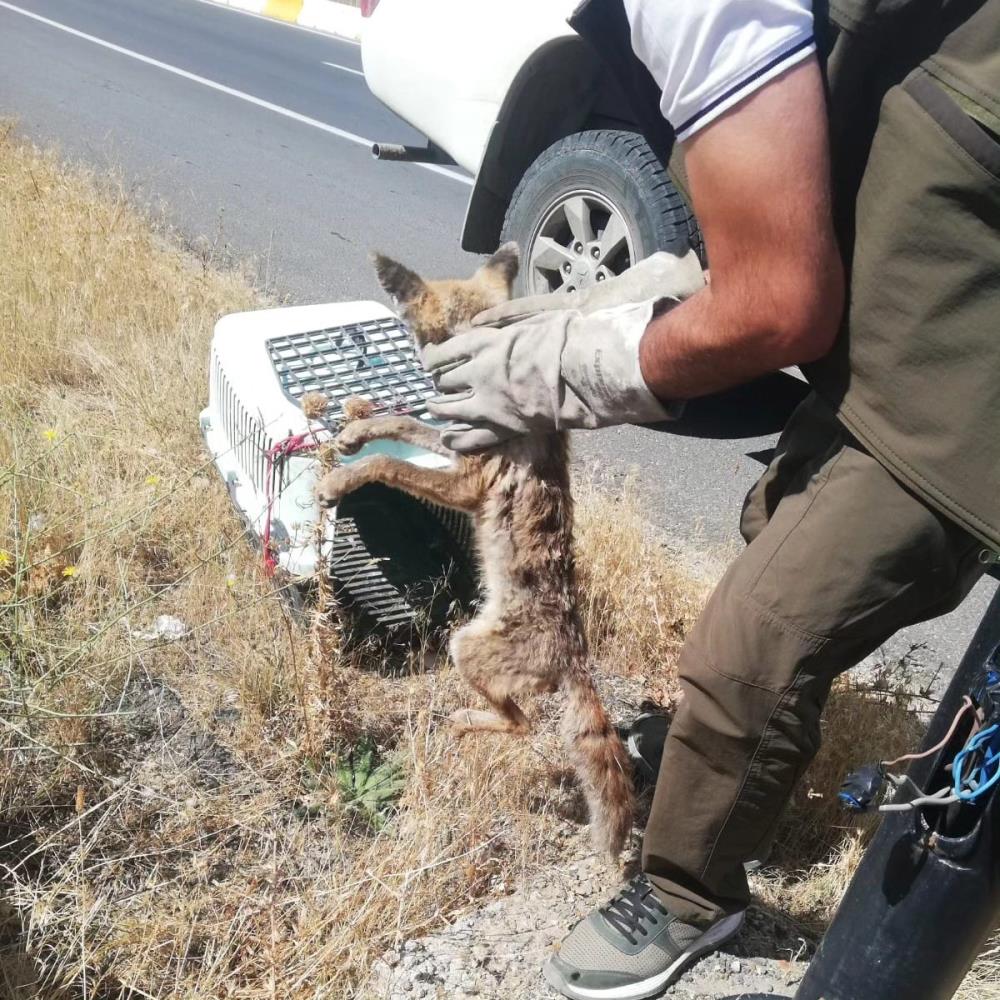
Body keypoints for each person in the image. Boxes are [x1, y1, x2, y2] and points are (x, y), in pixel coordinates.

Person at [422, 0, 1000, 997]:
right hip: (888, 330)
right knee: (777, 531)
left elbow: (778, 302)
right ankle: (742, 771)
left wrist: (580, 361)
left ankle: (692, 894)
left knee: (752, 643)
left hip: (959, 394)